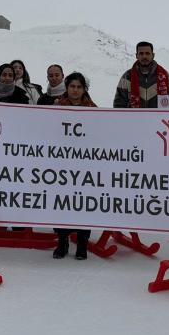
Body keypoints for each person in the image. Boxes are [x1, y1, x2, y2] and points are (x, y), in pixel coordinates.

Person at [53, 73, 96, 259]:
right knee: (62, 206)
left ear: (84, 89)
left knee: (84, 205)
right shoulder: (56, 108)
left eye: (79, 87)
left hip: (85, 166)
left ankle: (82, 244)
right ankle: (62, 242)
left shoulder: (94, 110)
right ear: (67, 87)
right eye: (72, 86)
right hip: (61, 166)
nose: (75, 90)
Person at [113, 41, 169, 108]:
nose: (144, 56)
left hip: (159, 118)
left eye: (147, 53)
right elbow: (119, 105)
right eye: (141, 53)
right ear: (136, 55)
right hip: (133, 118)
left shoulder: (164, 76)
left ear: (153, 55)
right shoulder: (127, 77)